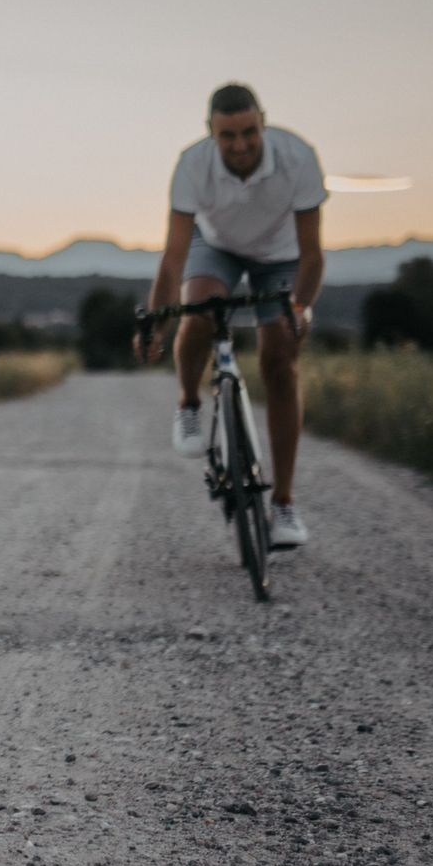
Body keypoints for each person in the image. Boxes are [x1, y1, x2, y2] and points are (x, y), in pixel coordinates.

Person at [137, 83, 325, 547]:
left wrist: (299, 308)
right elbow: (173, 260)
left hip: (280, 258)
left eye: (249, 132)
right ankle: (188, 404)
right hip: (216, 247)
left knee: (279, 361)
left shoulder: (298, 157)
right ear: (211, 132)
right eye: (228, 136)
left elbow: (313, 255)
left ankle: (284, 505)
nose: (240, 145)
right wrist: (157, 324)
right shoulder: (192, 165)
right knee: (199, 311)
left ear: (263, 122)